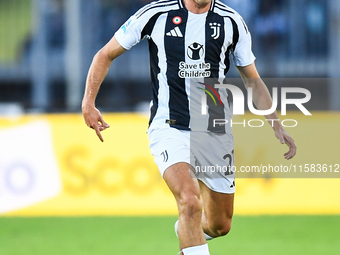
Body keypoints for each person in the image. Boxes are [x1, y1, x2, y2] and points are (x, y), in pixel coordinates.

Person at [82, 0, 297, 254]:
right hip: (169, 126)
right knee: (190, 200)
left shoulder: (232, 22)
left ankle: (187, 228)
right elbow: (105, 54)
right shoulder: (156, 14)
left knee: (220, 225)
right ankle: (189, 221)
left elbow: (252, 78)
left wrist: (276, 124)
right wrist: (88, 102)